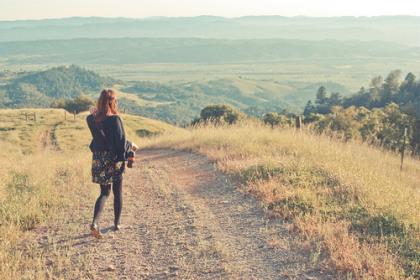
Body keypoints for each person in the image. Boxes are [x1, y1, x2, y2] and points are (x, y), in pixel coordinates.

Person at [86, 89, 138, 239]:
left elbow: (100, 137)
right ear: (112, 102)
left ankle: (95, 223)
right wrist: (131, 146)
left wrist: (94, 113)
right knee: (117, 192)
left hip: (98, 159)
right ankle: (117, 223)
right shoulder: (116, 119)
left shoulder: (91, 119)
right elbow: (121, 144)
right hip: (114, 160)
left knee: (104, 193)